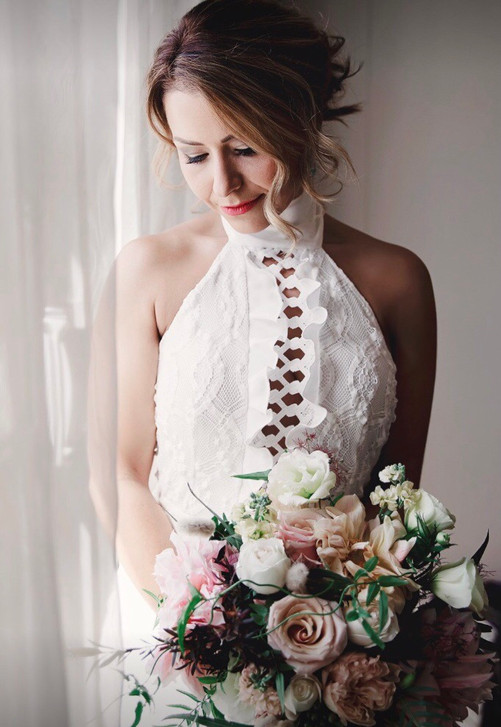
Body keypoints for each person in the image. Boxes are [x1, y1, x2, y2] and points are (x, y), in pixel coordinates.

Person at [88, 0, 436, 720]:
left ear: (301, 120)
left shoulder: (397, 279)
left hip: (340, 671)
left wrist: (336, 658)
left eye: (245, 146)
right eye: (193, 154)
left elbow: (395, 504)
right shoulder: (148, 270)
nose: (222, 183)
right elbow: (122, 476)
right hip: (180, 658)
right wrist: (205, 650)